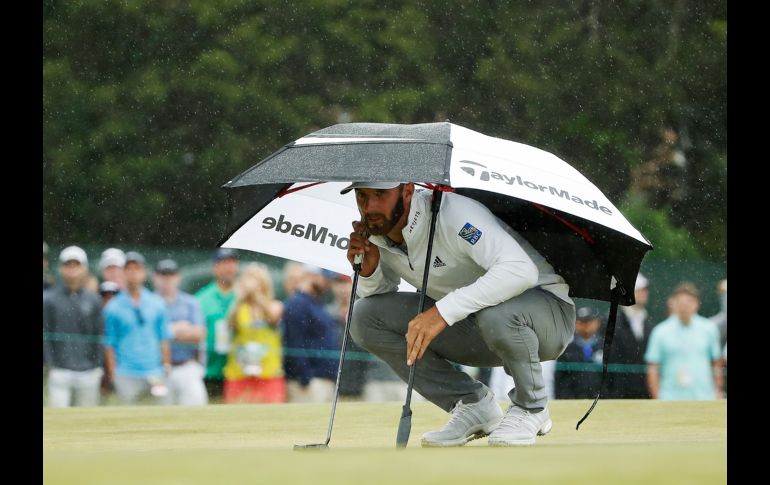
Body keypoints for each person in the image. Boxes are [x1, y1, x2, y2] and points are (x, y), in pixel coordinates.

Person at [345, 182, 575, 447]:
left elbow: (521, 270)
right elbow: (380, 297)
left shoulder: (454, 213)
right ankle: (472, 403)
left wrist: (442, 311)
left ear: (407, 192)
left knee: (495, 315)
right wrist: (368, 272)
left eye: (380, 195)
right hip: (481, 326)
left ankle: (532, 407)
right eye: (362, 196)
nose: (369, 206)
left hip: (547, 315)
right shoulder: (376, 233)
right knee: (364, 317)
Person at [103, 251, 172, 405]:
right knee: (127, 419)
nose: (133, 273)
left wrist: (166, 364)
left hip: (155, 372)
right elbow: (109, 344)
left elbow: (164, 338)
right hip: (125, 373)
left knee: (161, 416)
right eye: (129, 269)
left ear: (144, 273)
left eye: (137, 269)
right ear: (123, 273)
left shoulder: (157, 303)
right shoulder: (113, 307)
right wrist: (113, 372)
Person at [43, 246, 104, 407]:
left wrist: (97, 365)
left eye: (76, 265)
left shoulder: (94, 300)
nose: (72, 269)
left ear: (84, 268)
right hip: (60, 370)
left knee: (86, 422)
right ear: (61, 268)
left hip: (88, 371)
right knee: (59, 420)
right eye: (68, 265)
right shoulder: (49, 299)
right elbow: (46, 334)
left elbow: (99, 334)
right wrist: (51, 365)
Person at [645, 282, 723, 400]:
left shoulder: (709, 329)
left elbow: (716, 363)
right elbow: (652, 367)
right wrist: (657, 397)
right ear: (673, 303)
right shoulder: (660, 332)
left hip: (704, 398)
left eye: (689, 302)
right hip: (670, 398)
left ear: (696, 303)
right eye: (680, 302)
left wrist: (718, 390)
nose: (684, 306)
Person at [223, 263, 285, 403]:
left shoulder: (274, 304)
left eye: (256, 280)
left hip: (268, 374)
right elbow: (229, 323)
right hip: (239, 374)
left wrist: (256, 295)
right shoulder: (238, 307)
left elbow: (273, 316)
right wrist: (240, 299)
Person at [153, 259, 208, 406]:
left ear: (178, 277)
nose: (167, 279)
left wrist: (164, 333)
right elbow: (149, 335)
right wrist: (179, 328)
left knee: (196, 411)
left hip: (187, 366)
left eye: (171, 275)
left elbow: (199, 333)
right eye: (163, 275)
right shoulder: (149, 301)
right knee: (160, 416)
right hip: (158, 368)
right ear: (156, 277)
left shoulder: (190, 302)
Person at [282, 265, 339, 402]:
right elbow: (295, 342)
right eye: (324, 278)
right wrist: (305, 378)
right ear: (312, 276)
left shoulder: (316, 302)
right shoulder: (298, 303)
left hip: (323, 379)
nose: (327, 282)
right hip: (310, 383)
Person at [196, 248, 240, 401]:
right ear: (215, 267)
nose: (229, 267)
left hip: (238, 371)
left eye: (233, 262)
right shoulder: (202, 299)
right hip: (210, 370)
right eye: (224, 263)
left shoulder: (244, 295)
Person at [605, 273, 655, 398]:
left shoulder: (649, 323)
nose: (644, 293)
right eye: (639, 290)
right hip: (618, 393)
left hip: (644, 393)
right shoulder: (611, 321)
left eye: (644, 290)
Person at [554, 307, 604, 399]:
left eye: (589, 321)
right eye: (582, 322)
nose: (586, 326)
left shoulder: (607, 347)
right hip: (573, 401)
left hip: (601, 401)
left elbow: (613, 379)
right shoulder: (566, 350)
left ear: (597, 323)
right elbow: (560, 380)